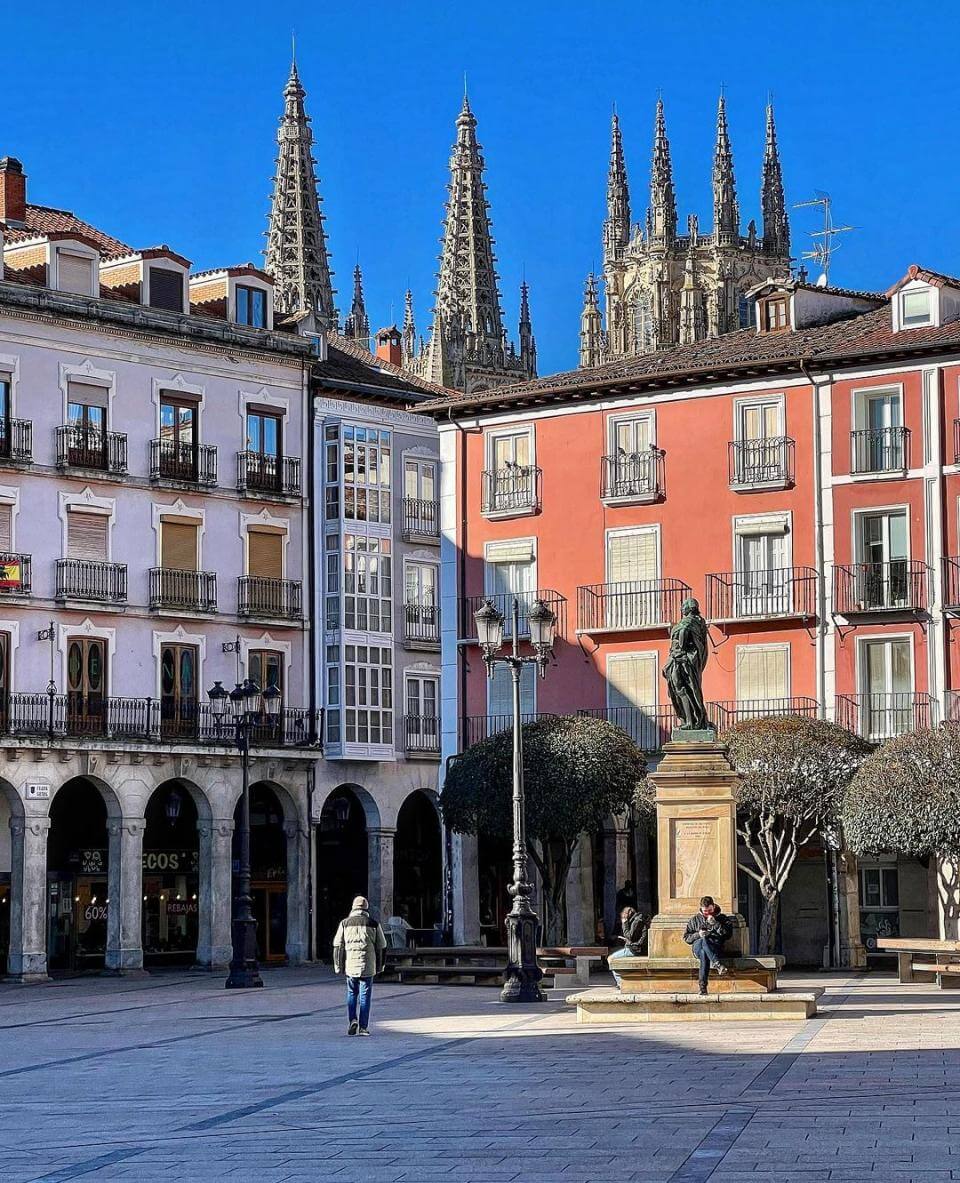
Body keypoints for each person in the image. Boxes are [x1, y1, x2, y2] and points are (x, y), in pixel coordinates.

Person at [333, 895, 387, 1036]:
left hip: (351, 965)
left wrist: (338, 966)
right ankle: (363, 1027)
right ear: (366, 908)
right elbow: (382, 945)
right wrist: (381, 966)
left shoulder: (344, 923)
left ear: (353, 907)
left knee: (351, 993)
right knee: (365, 995)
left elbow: (338, 945)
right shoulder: (373, 924)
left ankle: (352, 1020)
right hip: (368, 966)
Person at [683, 895, 732, 995]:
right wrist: (698, 935)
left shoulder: (722, 918)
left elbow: (728, 934)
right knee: (703, 940)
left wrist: (716, 924)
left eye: (710, 910)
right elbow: (686, 938)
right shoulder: (695, 920)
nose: (708, 913)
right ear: (701, 909)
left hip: (714, 946)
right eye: (705, 911)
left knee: (704, 953)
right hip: (697, 946)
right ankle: (717, 964)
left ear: (713, 906)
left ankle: (702, 988)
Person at [608, 907, 648, 989]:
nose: (622, 918)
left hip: (635, 950)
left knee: (610, 959)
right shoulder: (638, 919)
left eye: (623, 916)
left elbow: (629, 936)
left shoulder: (637, 921)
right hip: (637, 948)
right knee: (615, 953)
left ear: (627, 915)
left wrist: (624, 923)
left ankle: (620, 984)